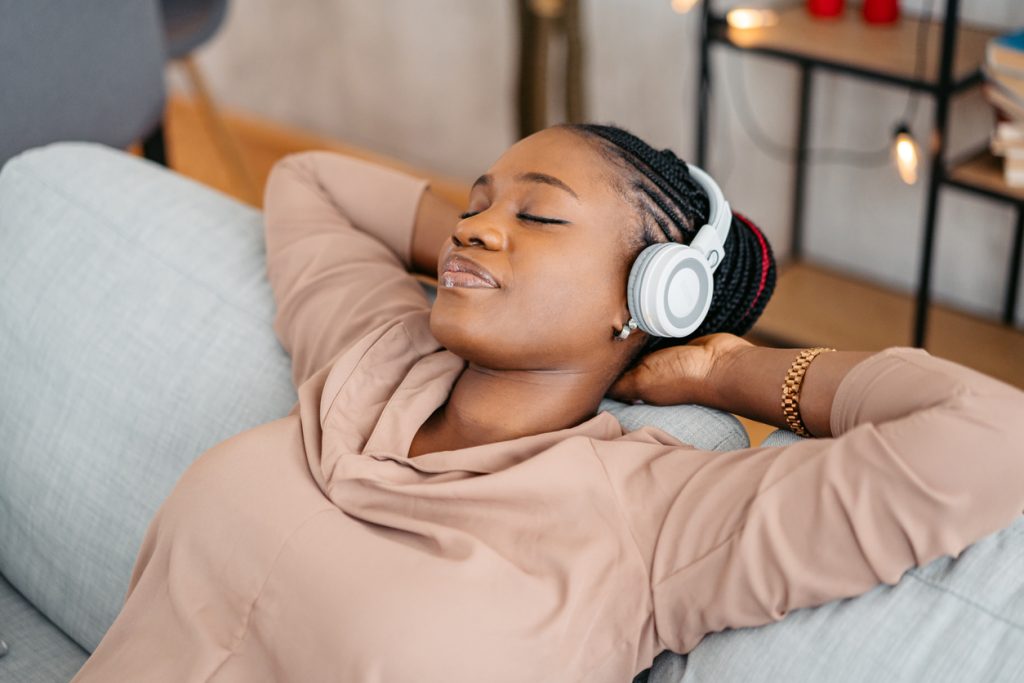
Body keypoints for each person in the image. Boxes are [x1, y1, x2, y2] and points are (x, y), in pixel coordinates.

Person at [72, 124, 1024, 682]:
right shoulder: (373, 348)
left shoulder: (651, 521)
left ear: (652, 294)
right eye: (477, 204)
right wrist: (479, 247)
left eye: (537, 215)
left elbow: (991, 435)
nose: (480, 226)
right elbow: (308, 180)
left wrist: (723, 371)